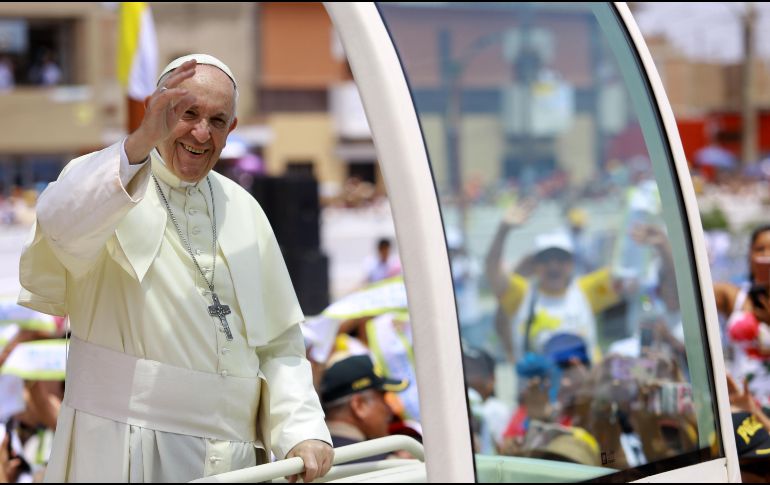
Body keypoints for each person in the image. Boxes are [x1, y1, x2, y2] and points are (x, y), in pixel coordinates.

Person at [17, 54, 332, 482]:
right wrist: (138, 144)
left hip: (235, 460)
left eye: (218, 120)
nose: (201, 133)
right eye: (188, 114)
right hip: (125, 448)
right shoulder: (107, 179)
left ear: (231, 129)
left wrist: (303, 432)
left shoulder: (244, 209)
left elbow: (280, 346)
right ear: (159, 111)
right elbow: (57, 222)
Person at [714, 224, 770, 406]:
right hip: (740, 409)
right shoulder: (736, 297)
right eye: (760, 249)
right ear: (749, 256)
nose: (766, 255)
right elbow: (686, 289)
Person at [320, 354, 408, 463]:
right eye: (383, 398)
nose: (390, 410)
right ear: (359, 405)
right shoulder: (386, 465)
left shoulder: (309, 458)